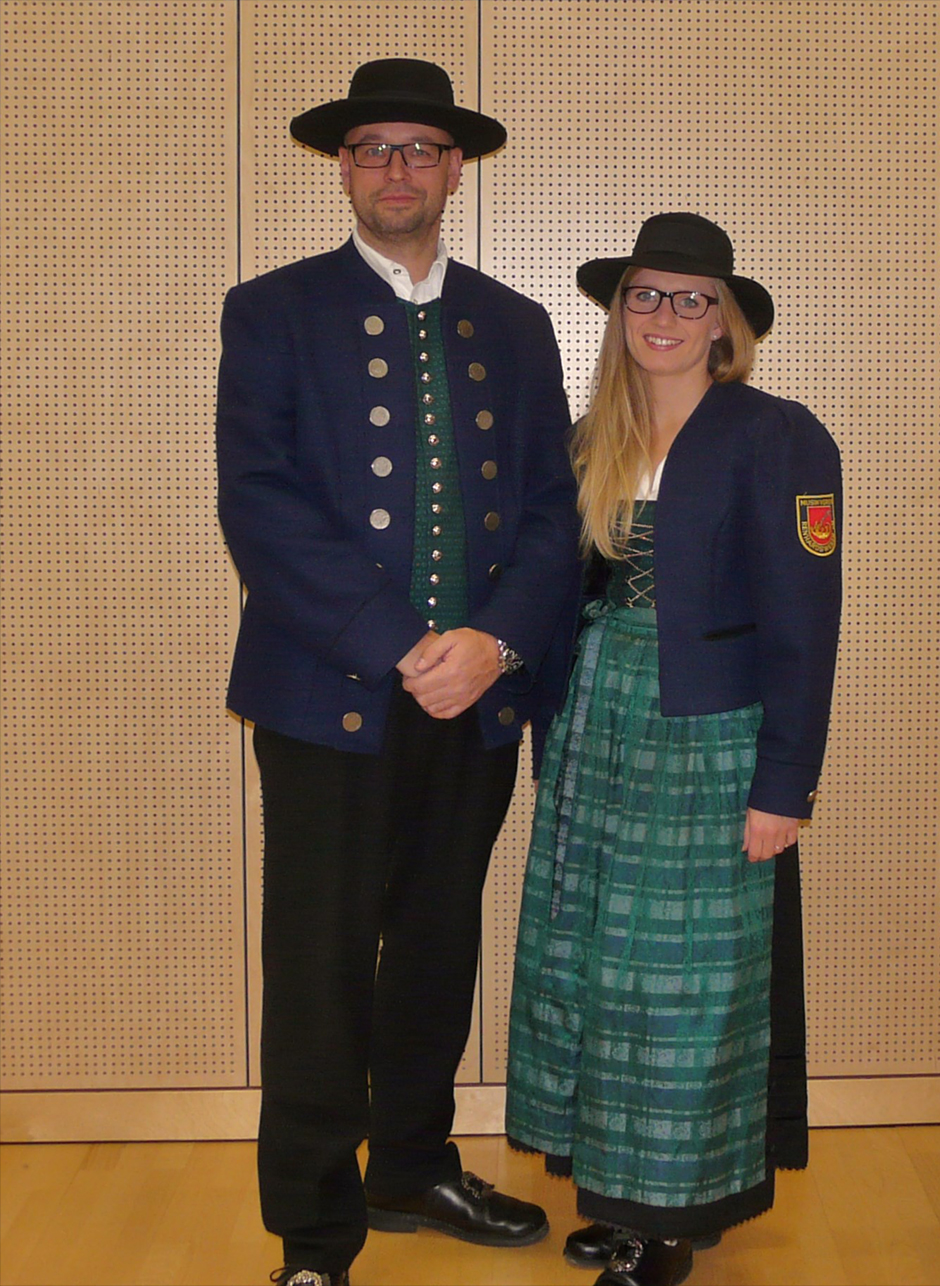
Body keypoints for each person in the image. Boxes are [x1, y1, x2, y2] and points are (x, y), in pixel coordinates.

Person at [216, 57, 581, 1286]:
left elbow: (552, 510)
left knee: (435, 943)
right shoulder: (271, 310)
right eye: (374, 147)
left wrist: (495, 642)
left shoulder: (515, 323)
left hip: (475, 697)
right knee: (319, 964)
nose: (397, 169)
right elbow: (260, 503)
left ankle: (413, 1165)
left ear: (454, 170)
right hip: (328, 693)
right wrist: (400, 645)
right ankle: (314, 1233)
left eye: (420, 148)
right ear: (343, 167)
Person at [505, 212, 842, 1286]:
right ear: (619, 312)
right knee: (597, 966)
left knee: (684, 979)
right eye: (645, 294)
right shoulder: (588, 438)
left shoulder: (777, 435)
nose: (665, 315)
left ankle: (670, 1218)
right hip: (600, 725)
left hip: (708, 738)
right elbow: (562, 596)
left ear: (724, 322)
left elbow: (804, 626)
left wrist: (784, 784)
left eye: (692, 299)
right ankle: (620, 1191)